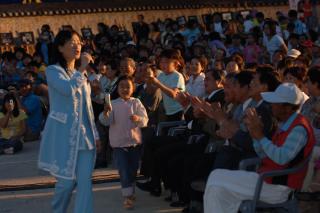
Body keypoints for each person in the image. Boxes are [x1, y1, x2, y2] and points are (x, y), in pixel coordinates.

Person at [204, 83, 315, 213]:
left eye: (275, 103)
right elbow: (264, 155)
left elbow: (281, 158)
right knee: (216, 179)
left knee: (216, 185)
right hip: (267, 178)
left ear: (288, 107)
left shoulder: (299, 128)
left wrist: (260, 136)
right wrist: (255, 134)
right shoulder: (286, 124)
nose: (271, 105)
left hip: (279, 187)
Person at [38, 30, 101, 213]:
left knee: (85, 184)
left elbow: (87, 106)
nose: (77, 45)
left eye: (79, 42)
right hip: (64, 135)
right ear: (60, 47)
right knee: (66, 184)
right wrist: (82, 69)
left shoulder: (81, 74)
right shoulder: (53, 71)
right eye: (72, 42)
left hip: (86, 136)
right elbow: (67, 89)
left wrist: (95, 133)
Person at [99, 75, 148, 210]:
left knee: (132, 170)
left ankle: (130, 190)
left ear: (133, 89)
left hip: (134, 144)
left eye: (128, 87)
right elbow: (105, 121)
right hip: (118, 145)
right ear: (117, 88)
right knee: (123, 170)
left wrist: (138, 118)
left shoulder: (136, 103)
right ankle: (127, 197)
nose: (124, 89)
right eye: (121, 86)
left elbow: (145, 120)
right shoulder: (113, 104)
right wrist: (105, 113)